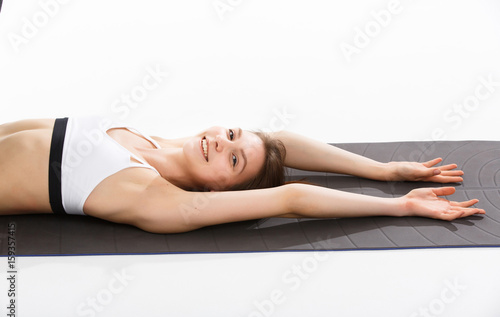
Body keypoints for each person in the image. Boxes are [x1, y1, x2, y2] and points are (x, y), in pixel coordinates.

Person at [0, 115, 485, 233]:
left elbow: (292, 196)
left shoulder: (155, 196)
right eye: (231, 133)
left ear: (218, 190)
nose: (221, 144)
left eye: (232, 161)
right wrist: (382, 168)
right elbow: (279, 143)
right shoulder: (154, 140)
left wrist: (398, 203)